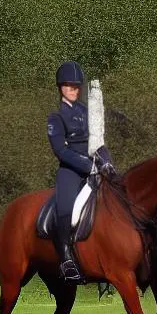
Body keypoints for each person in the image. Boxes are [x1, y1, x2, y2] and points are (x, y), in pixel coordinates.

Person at [46, 62, 114, 284]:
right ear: (60, 88)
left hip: (96, 166)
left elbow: (98, 141)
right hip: (71, 171)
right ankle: (65, 256)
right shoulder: (56, 117)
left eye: (75, 86)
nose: (72, 90)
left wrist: (107, 163)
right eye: (68, 86)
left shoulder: (89, 113)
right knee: (65, 206)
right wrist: (87, 166)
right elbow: (61, 150)